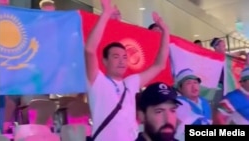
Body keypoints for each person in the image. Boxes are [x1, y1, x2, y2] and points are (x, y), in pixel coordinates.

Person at [85, 0, 170, 140]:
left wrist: (165, 31)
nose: (122, 61)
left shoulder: (130, 83)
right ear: (105, 61)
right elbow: (89, 50)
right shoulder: (97, 81)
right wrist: (105, 14)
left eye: (125, 57)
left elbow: (160, 64)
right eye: (116, 57)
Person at [174, 68, 212, 141]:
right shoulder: (178, 104)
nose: (193, 86)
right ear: (180, 88)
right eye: (188, 83)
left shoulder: (205, 102)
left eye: (195, 82)